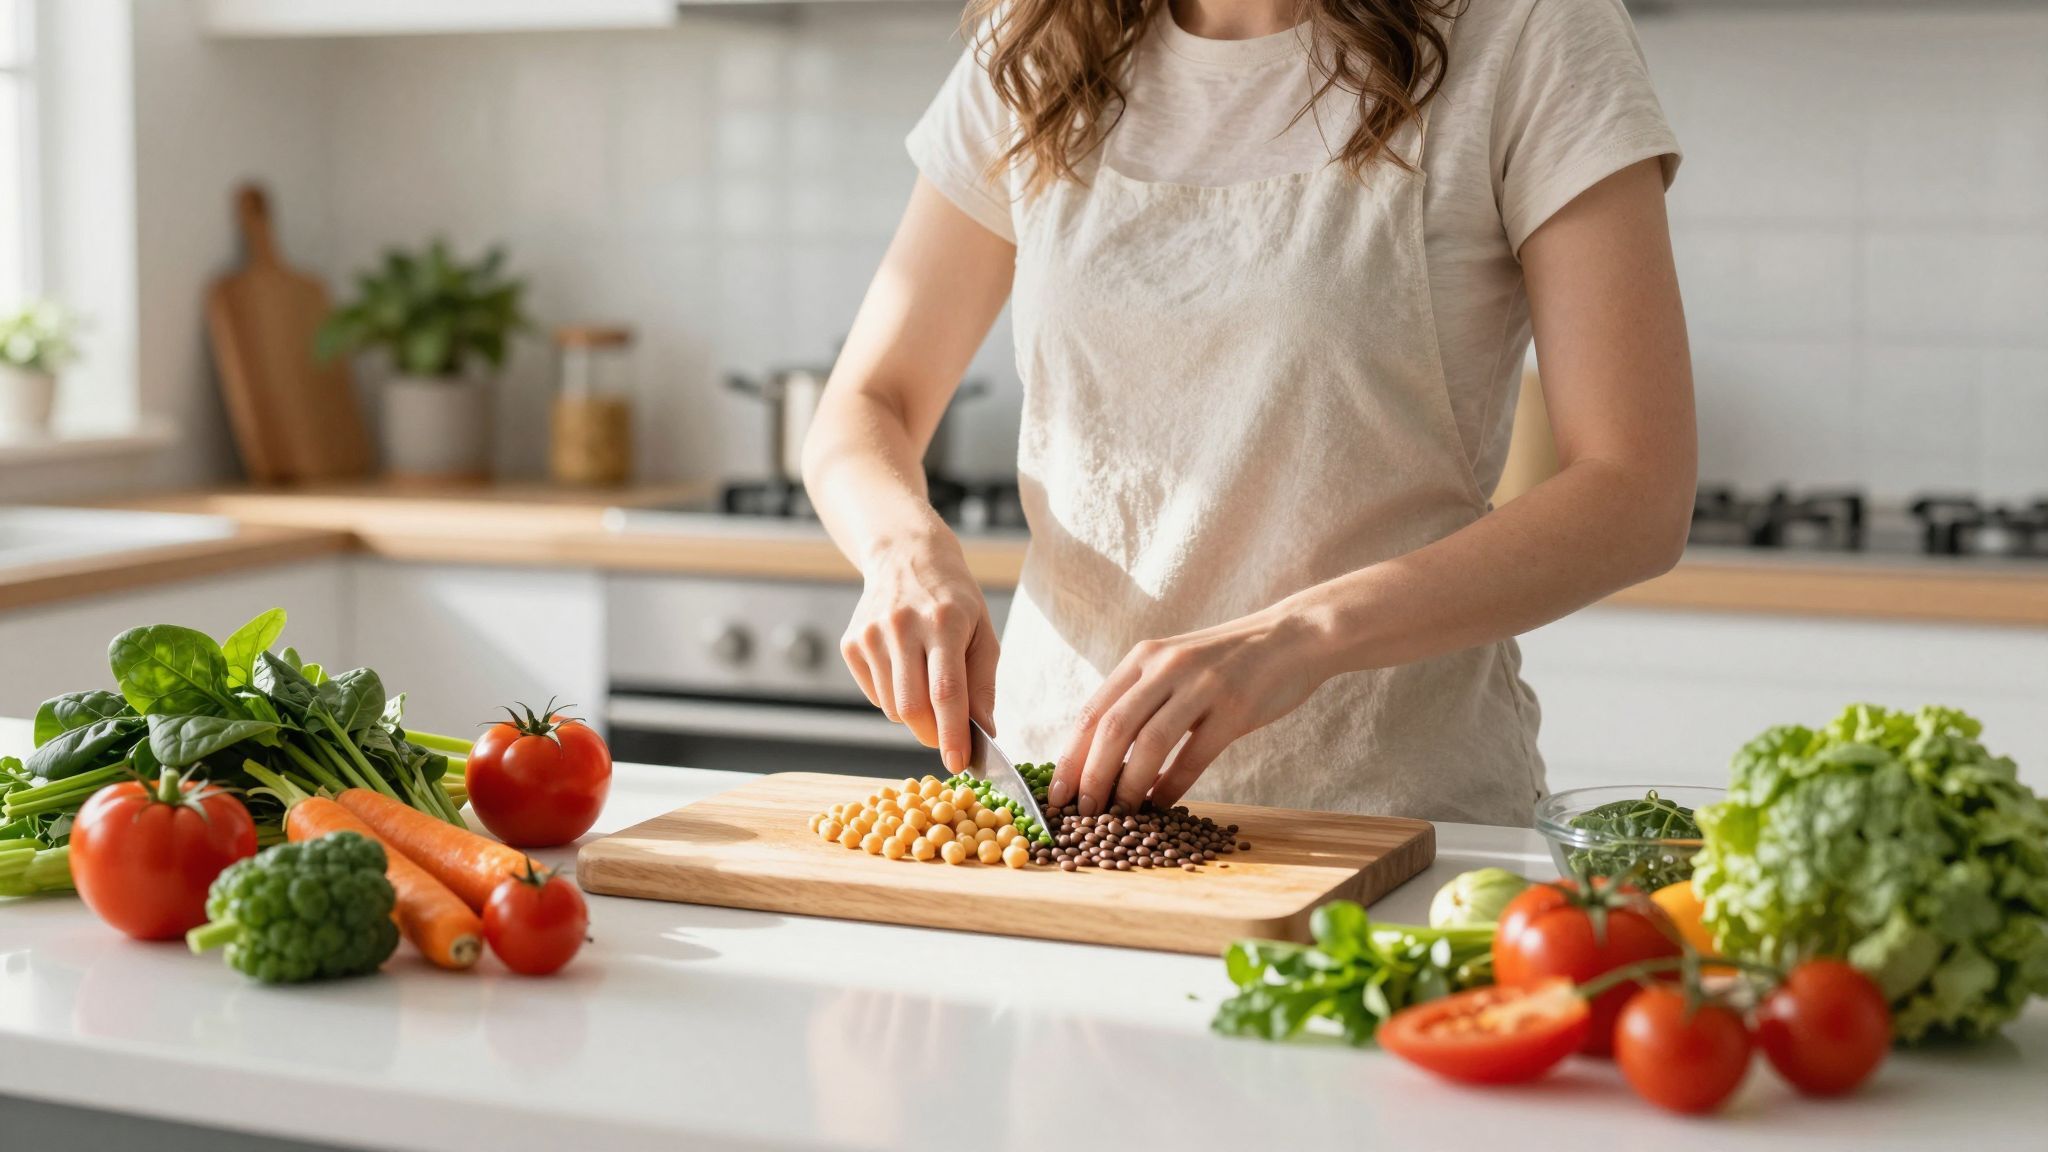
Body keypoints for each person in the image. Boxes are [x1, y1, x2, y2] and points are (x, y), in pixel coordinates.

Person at [802, 0, 1694, 826]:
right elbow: (868, 404)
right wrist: (901, 552)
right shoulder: (1039, 39)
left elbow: (1634, 491)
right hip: (1057, 812)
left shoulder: (1530, 29)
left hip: (1387, 818)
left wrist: (1297, 637)